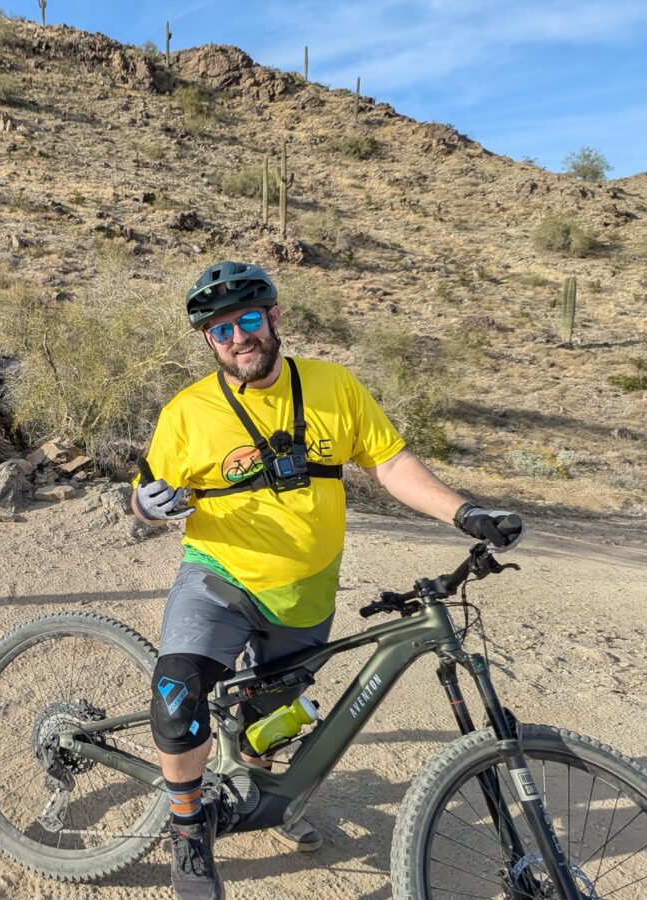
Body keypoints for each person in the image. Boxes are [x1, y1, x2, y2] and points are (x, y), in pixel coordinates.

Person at [131, 261, 523, 900]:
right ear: (209, 341)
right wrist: (150, 507)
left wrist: (465, 512)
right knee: (178, 697)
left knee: (271, 721)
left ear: (275, 318)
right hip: (220, 577)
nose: (238, 338)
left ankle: (257, 796)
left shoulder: (333, 386)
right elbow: (145, 496)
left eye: (250, 320)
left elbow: (390, 463)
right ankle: (187, 830)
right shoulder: (187, 413)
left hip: (307, 590)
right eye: (221, 329)